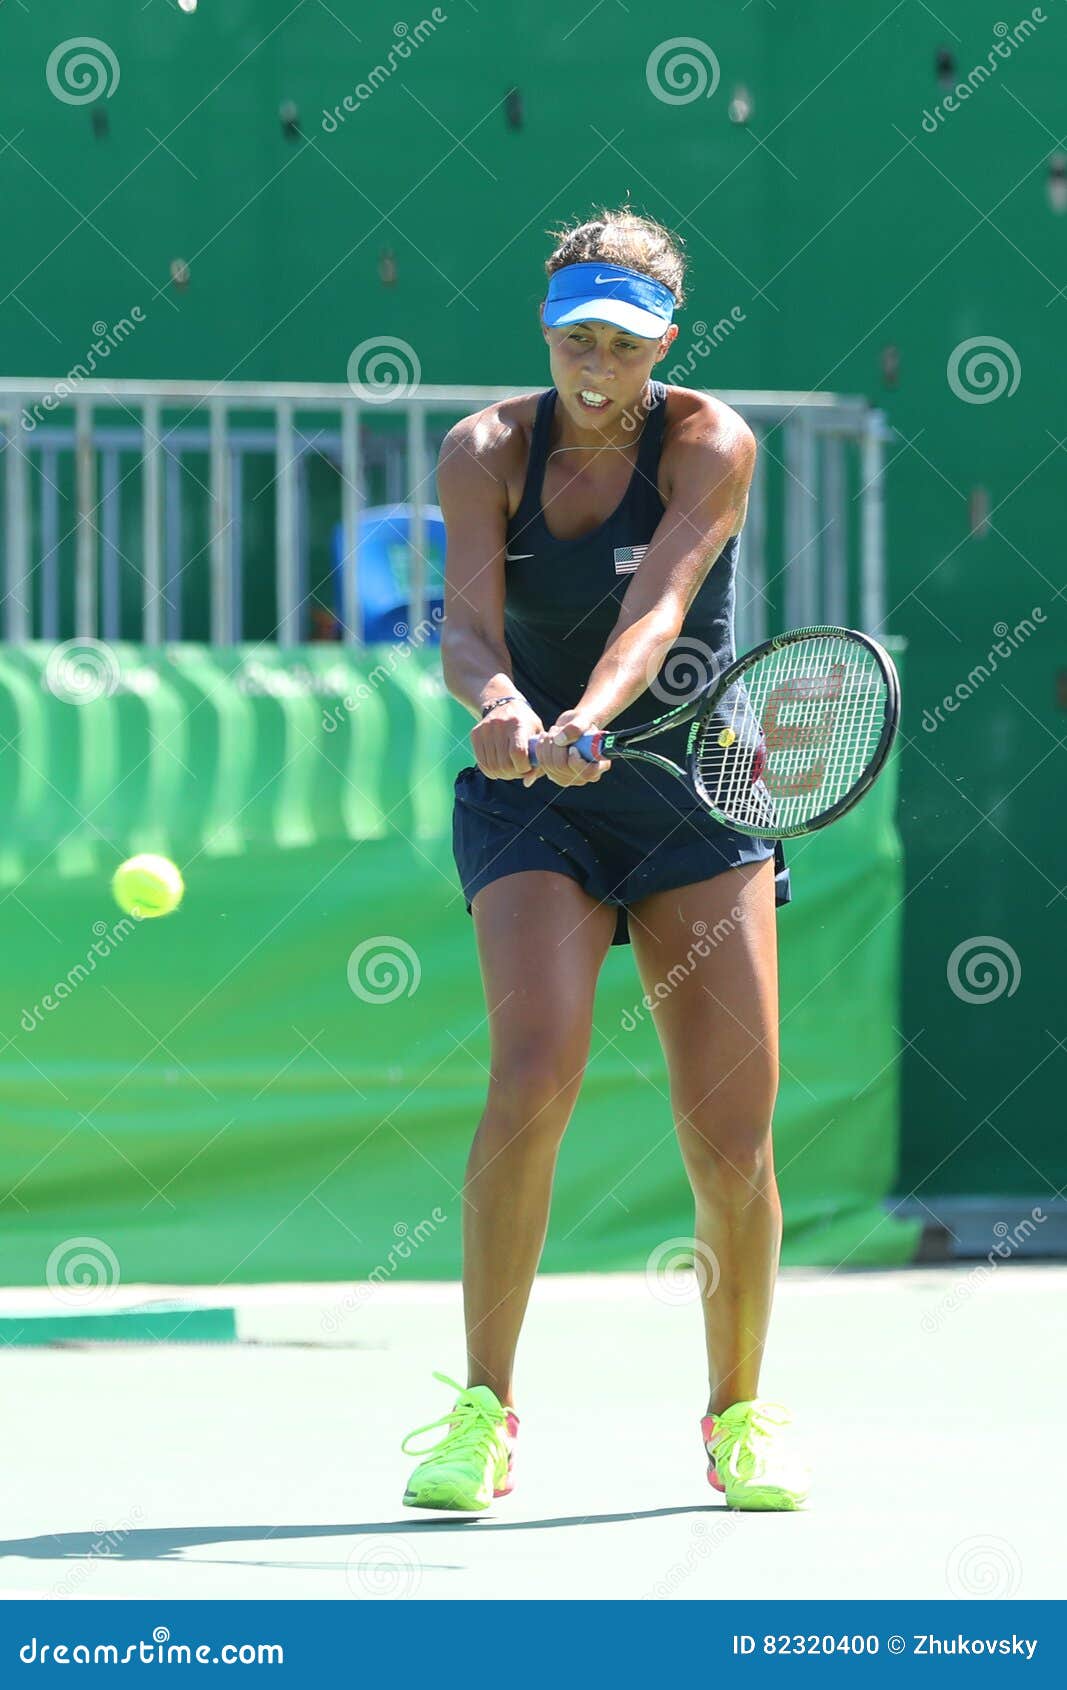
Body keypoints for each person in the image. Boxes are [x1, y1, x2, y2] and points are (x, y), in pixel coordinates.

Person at [400, 207, 809, 1513]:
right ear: (547, 329)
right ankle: (480, 1411)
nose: (596, 365)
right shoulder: (483, 450)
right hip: (538, 805)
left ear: (664, 345)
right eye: (578, 336)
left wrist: (594, 711)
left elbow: (662, 607)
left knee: (729, 1138)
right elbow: (464, 631)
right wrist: (508, 706)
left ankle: (739, 1413)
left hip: (692, 783)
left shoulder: (711, 443)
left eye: (624, 345)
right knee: (532, 1072)